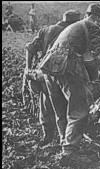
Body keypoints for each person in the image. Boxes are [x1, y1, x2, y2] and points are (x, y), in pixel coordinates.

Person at [37, 3, 100, 160]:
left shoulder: (74, 26)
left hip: (49, 68)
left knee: (61, 109)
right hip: (68, 68)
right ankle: (69, 151)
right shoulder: (92, 26)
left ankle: (63, 141)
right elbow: (96, 57)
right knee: (78, 110)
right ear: (99, 18)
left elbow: (85, 56)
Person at [24, 10, 81, 148]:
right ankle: (64, 140)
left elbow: (30, 48)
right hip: (61, 76)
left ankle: (48, 136)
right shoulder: (71, 33)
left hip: (44, 73)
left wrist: (27, 68)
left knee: (45, 104)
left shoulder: (46, 30)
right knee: (63, 108)